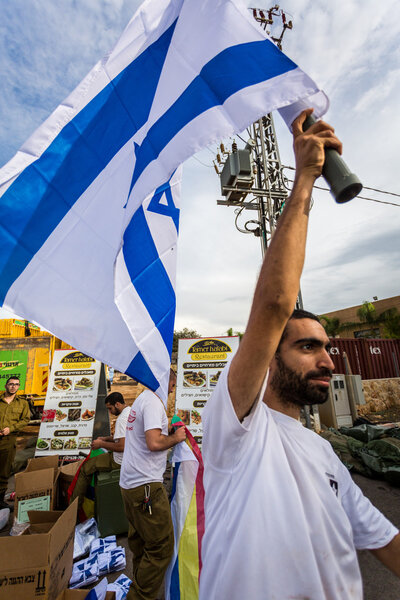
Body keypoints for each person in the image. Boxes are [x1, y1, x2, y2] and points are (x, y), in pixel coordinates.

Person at [199, 109, 400, 600]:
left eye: (327, 347)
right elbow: (273, 304)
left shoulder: (323, 453)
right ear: (268, 357)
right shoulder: (236, 429)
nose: (327, 361)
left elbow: (384, 539)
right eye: (307, 346)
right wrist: (306, 178)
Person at [120, 369, 186, 600]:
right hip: (145, 486)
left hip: (131, 484)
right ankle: (139, 596)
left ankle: (137, 586)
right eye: (172, 384)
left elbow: (148, 432)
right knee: (161, 546)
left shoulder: (143, 399)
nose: (171, 389)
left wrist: (169, 425)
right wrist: (176, 438)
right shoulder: (153, 402)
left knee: (140, 544)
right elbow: (154, 442)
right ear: (164, 380)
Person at [70, 391, 130, 509]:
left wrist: (101, 444)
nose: (109, 412)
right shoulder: (130, 412)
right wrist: (106, 439)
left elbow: (122, 446)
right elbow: (123, 437)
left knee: (85, 469)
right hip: (128, 458)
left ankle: (74, 508)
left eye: (110, 408)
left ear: (117, 404)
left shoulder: (122, 420)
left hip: (119, 461)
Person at [0, 376, 30, 509]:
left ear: (18, 387)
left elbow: (25, 420)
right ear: (6, 385)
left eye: (16, 384)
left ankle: (0, 501)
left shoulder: (22, 403)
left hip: (8, 440)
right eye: (11, 384)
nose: (13, 386)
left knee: (4, 471)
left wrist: (10, 429)